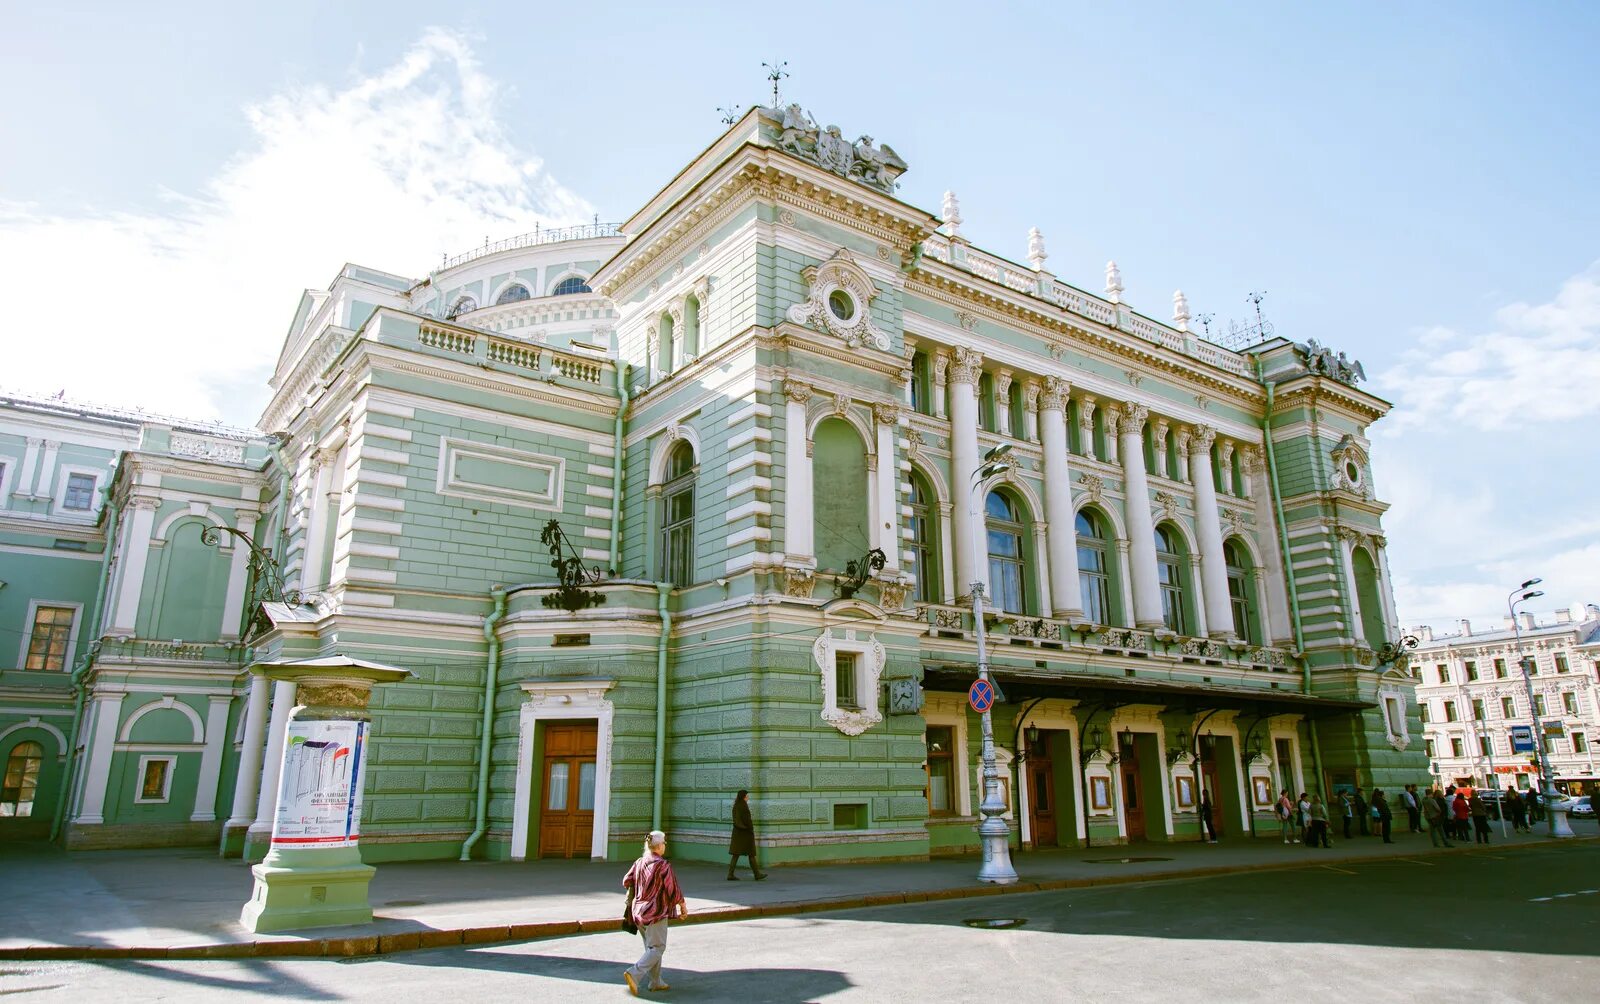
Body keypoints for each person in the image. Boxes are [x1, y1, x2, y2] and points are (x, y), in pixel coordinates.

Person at [622, 830, 689, 997]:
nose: (665, 845)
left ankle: (656, 982)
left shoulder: (639, 862)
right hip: (656, 912)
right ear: (659, 846)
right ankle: (634, 973)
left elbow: (626, 881)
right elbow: (672, 889)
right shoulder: (663, 866)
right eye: (664, 843)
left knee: (651, 948)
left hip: (638, 912)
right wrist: (683, 906)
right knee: (658, 947)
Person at [727, 789, 766, 881]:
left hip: (738, 834)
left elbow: (737, 820)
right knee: (751, 853)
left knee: (736, 854)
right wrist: (749, 829)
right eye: (747, 795)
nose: (748, 797)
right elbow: (744, 820)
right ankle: (757, 874)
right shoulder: (743, 806)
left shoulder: (736, 805)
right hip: (745, 834)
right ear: (744, 796)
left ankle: (730, 874)